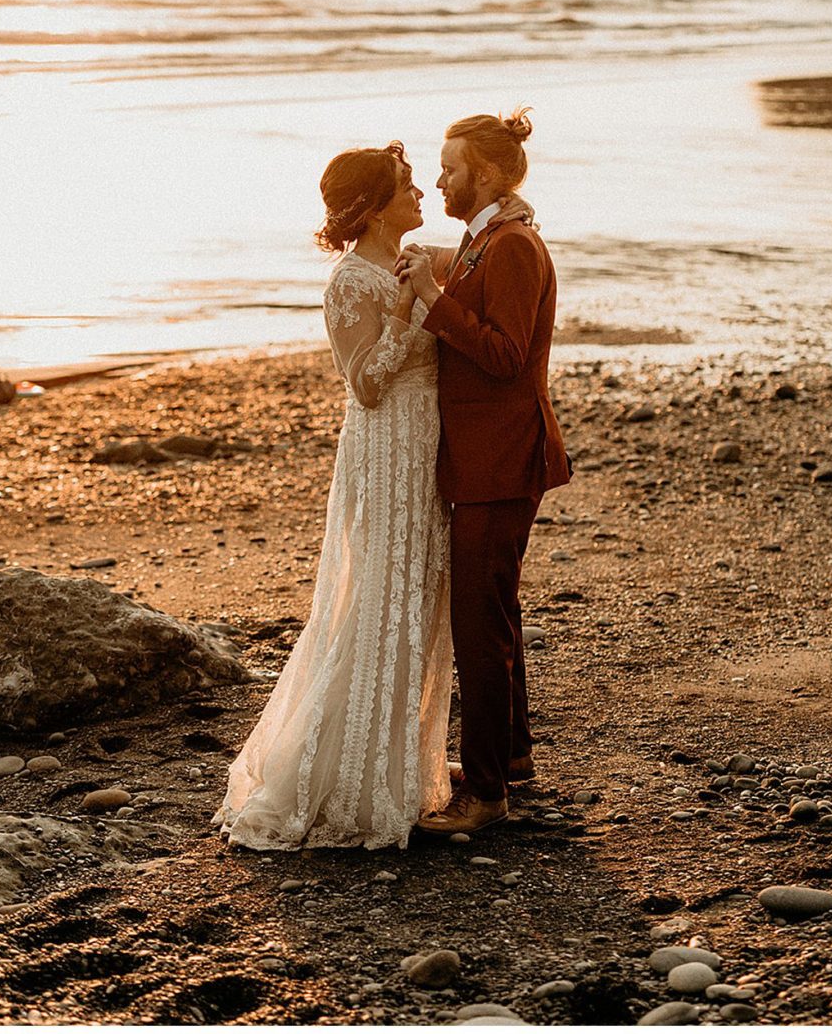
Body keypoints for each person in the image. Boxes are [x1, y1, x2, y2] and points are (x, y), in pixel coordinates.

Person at [218, 144, 525, 849]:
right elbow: (366, 382)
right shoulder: (350, 282)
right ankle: (341, 774)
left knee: (418, 598)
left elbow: (482, 249)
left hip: (427, 451)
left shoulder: (414, 258)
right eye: (407, 186)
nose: (421, 192)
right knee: (379, 599)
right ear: (373, 205)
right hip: (384, 451)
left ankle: (400, 765)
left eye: (422, 181)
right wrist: (411, 313)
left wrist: (513, 209)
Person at [399, 108, 571, 836]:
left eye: (451, 168)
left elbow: (504, 355)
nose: (440, 178)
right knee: (495, 611)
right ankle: (511, 757)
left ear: (490, 176)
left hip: (504, 457)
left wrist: (434, 302)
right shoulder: (485, 239)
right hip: (485, 457)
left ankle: (489, 795)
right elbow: (461, 269)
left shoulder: (514, 248)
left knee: (480, 620)